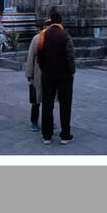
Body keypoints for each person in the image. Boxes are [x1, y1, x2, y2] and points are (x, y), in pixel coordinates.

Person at [37, 9, 76, 145]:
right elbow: (70, 56)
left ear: (51, 22)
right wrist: (72, 72)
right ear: (61, 22)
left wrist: (44, 70)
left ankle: (46, 135)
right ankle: (65, 135)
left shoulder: (43, 35)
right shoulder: (65, 35)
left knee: (47, 105)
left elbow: (39, 57)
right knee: (65, 105)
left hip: (47, 76)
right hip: (64, 76)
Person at [24, 18, 49, 132]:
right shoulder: (37, 38)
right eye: (47, 25)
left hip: (49, 75)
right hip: (37, 74)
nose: (48, 27)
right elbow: (30, 58)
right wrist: (29, 74)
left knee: (48, 101)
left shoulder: (53, 38)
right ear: (43, 26)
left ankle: (48, 121)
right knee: (35, 101)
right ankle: (34, 122)